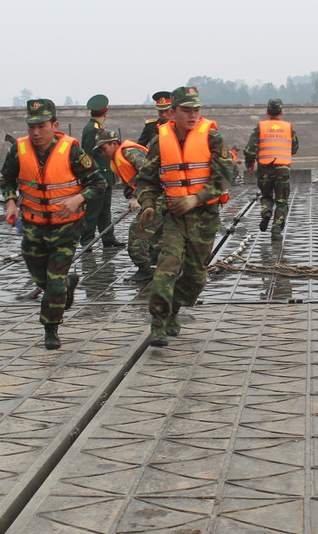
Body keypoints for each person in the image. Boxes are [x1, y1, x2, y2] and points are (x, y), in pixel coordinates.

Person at [0, 98, 107, 348]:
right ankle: (67, 284)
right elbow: (7, 180)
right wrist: (11, 203)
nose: (36, 132)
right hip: (33, 227)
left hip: (66, 228)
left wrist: (78, 198)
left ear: (54, 124)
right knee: (42, 279)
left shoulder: (71, 151)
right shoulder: (19, 150)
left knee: (54, 283)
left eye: (42, 126)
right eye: (31, 127)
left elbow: (98, 182)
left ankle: (51, 329)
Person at [134, 86, 235, 347]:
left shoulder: (212, 137)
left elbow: (225, 176)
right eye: (186, 110)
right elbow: (146, 179)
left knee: (196, 278)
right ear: (173, 112)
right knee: (166, 270)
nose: (192, 115)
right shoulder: (159, 141)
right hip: (174, 217)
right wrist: (147, 204)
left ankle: (174, 309)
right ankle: (158, 324)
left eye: (196, 110)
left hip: (204, 217)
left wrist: (197, 197)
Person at [94, 128, 160, 282]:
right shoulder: (116, 159)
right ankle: (160, 267)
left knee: (136, 236)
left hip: (156, 199)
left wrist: (136, 197)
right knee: (157, 237)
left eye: (104, 148)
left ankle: (145, 270)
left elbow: (147, 172)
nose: (103, 153)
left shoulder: (130, 152)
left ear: (113, 144)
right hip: (153, 199)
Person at [245, 98, 299, 240]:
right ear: (281, 112)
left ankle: (267, 211)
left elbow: (250, 150)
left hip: (265, 169)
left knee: (267, 197)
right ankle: (276, 229)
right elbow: (294, 148)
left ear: (267, 112)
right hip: (283, 170)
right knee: (282, 201)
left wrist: (249, 165)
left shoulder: (260, 127)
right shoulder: (288, 127)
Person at [80, 94, 123, 249]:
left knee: (105, 210)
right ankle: (87, 240)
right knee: (93, 211)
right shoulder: (92, 129)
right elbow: (89, 155)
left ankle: (108, 237)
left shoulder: (97, 128)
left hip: (105, 176)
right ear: (105, 112)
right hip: (98, 176)